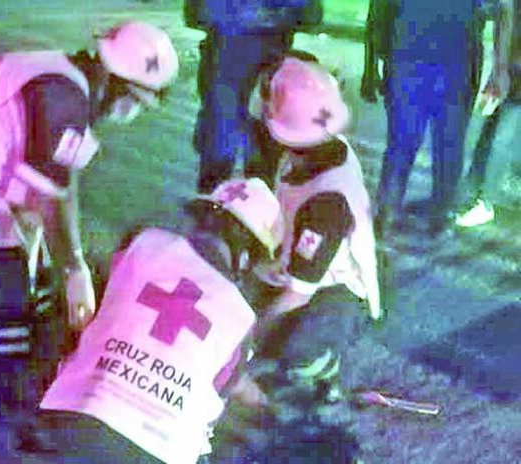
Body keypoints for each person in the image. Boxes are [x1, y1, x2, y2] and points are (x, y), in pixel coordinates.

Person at [0, 20, 179, 460]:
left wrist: (67, 258)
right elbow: (49, 200)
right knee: (3, 286)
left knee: (17, 262)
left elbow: (62, 180)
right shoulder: (65, 96)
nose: (132, 112)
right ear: (116, 82)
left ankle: (1, 377)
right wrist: (72, 266)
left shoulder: (72, 84)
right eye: (135, 101)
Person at [20, 177, 284, 463]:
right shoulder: (241, 319)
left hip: (68, 421)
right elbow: (216, 398)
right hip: (155, 452)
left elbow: (98, 308)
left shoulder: (142, 244)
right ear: (248, 256)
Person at [249, 57, 382, 410]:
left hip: (336, 287)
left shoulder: (326, 203)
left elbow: (298, 293)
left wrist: (247, 344)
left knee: (293, 350)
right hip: (293, 263)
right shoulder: (319, 144)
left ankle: (328, 366)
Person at [363, 0, 487, 238]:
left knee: (404, 145)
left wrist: (371, 66)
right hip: (450, 65)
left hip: (414, 60)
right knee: (447, 148)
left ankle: (391, 215)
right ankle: (437, 218)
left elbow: (377, 12)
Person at [184, 0, 323, 193]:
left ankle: (221, 200)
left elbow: (197, 14)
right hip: (248, 67)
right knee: (242, 154)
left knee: (230, 150)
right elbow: (310, 15)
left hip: (240, 67)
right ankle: (235, 200)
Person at [455, 0, 518, 228]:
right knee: (495, 131)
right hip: (513, 66)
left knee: (499, 136)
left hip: (513, 67)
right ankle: (476, 190)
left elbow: (506, 14)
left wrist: (499, 69)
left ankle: (484, 199)